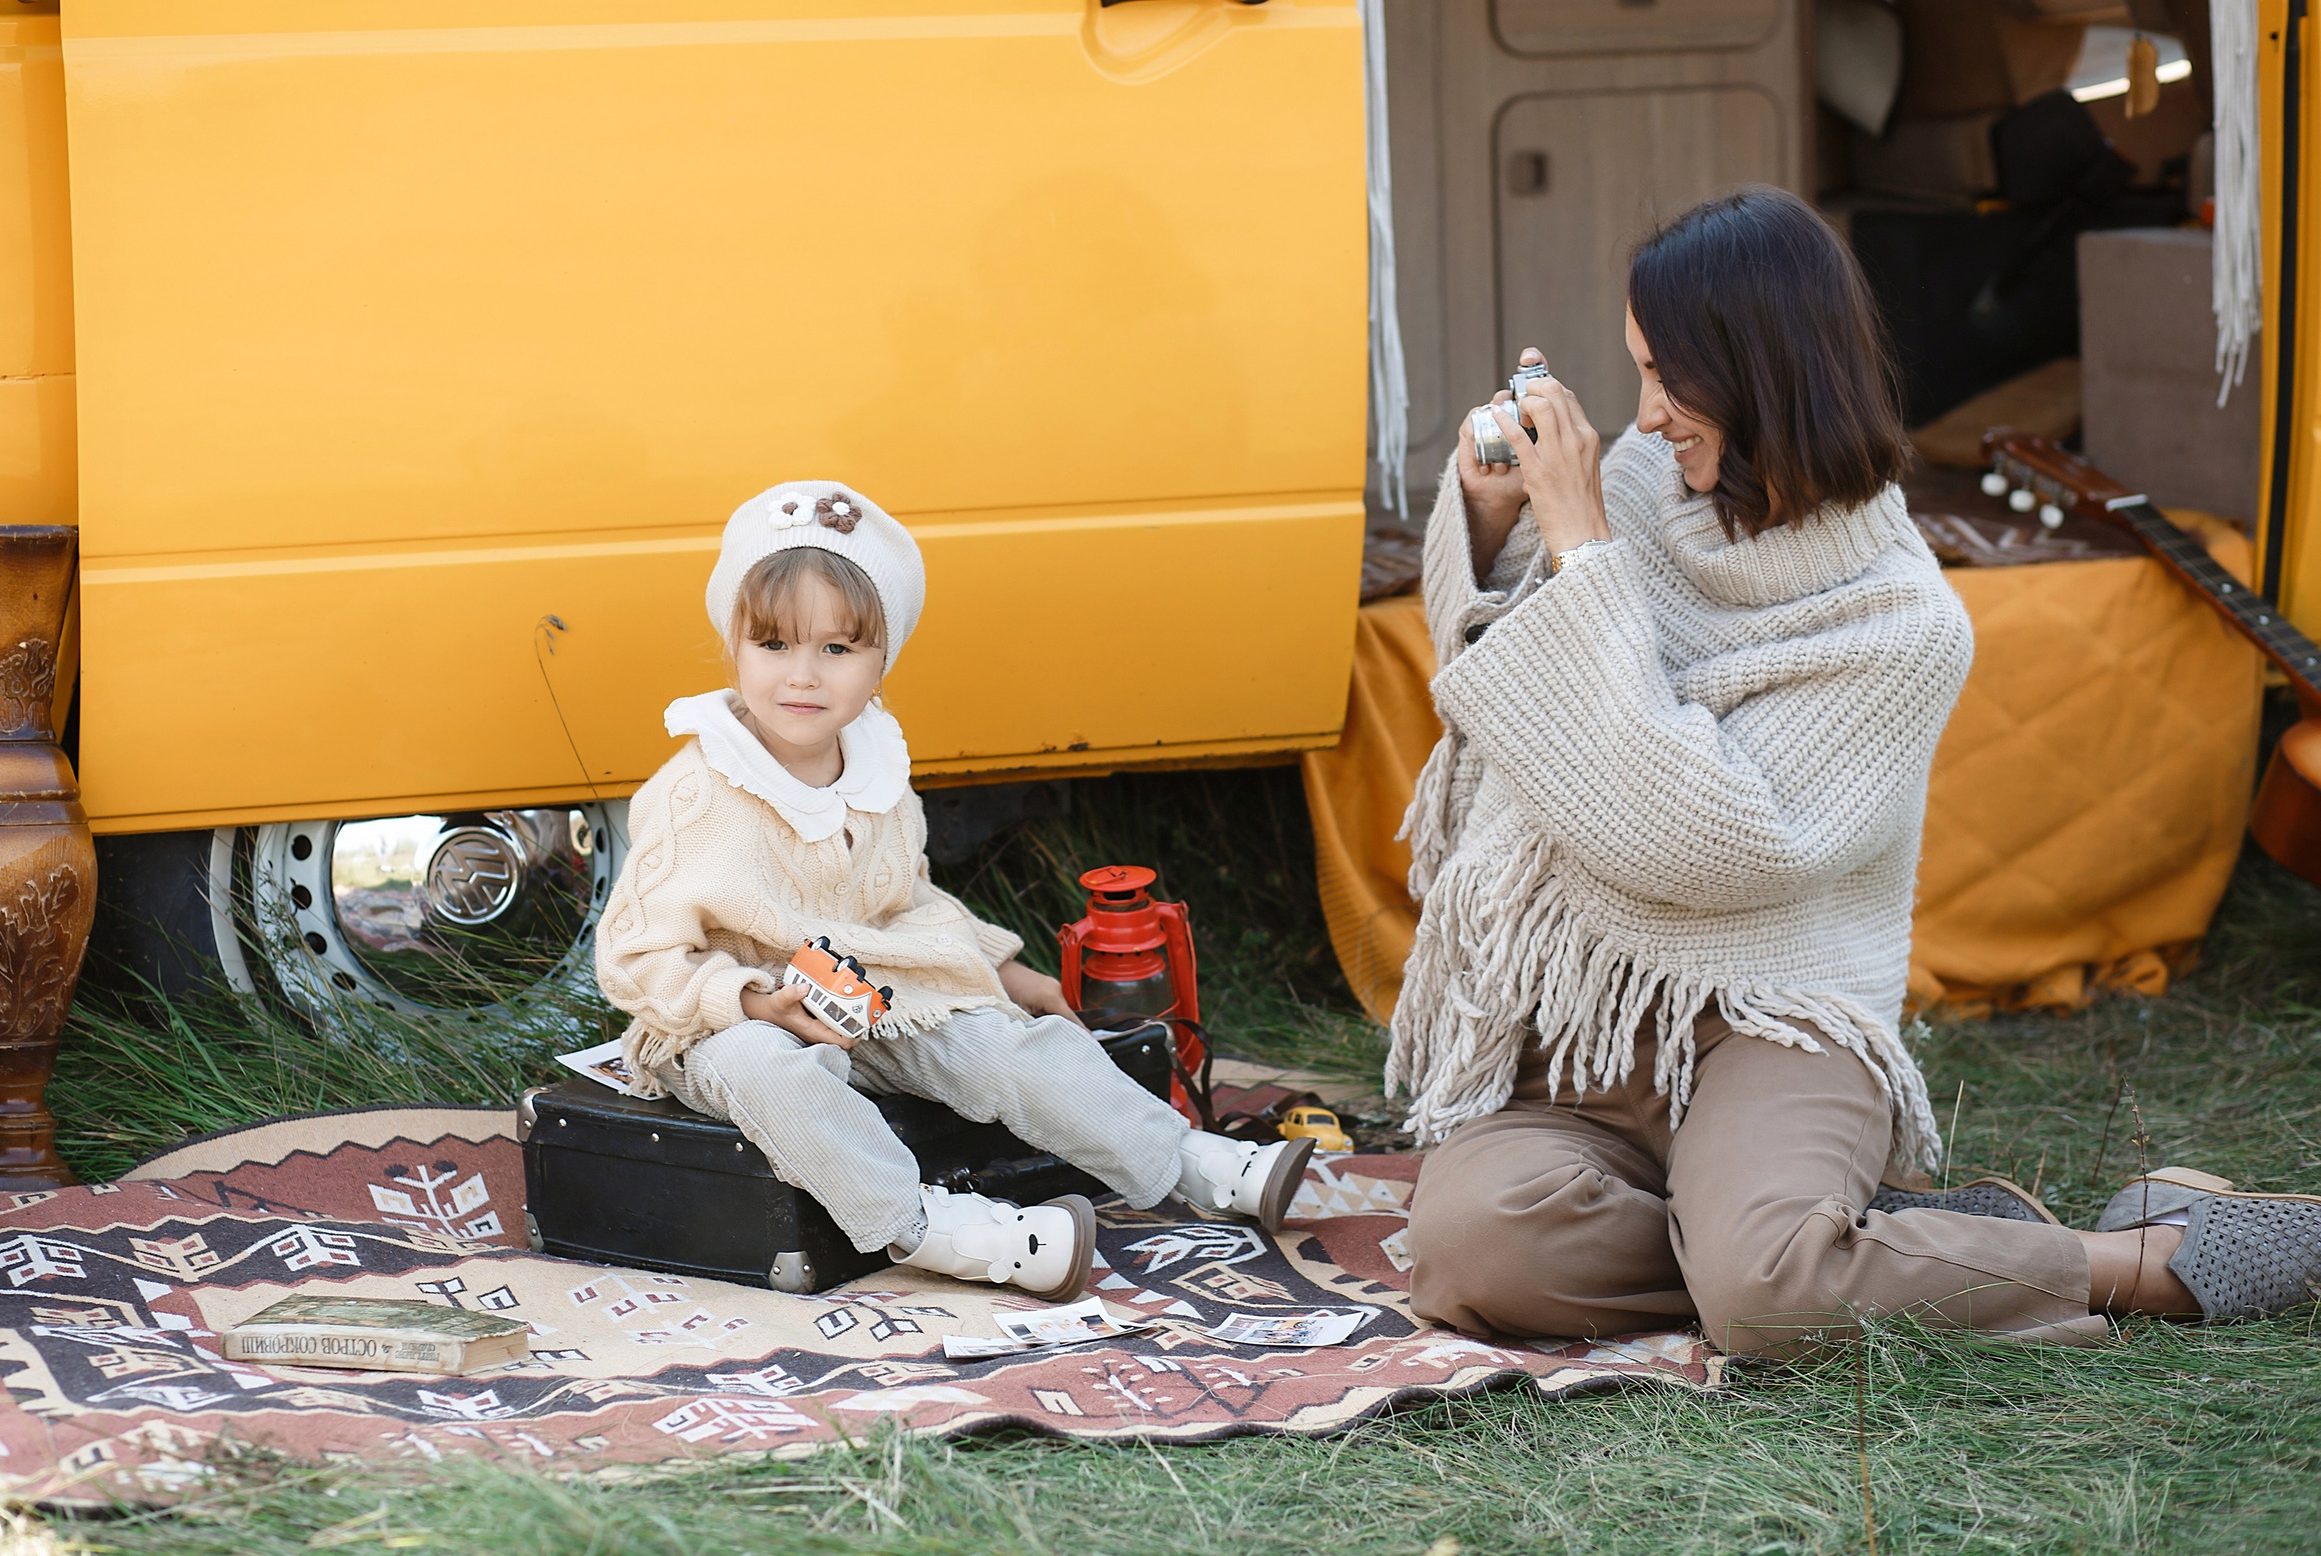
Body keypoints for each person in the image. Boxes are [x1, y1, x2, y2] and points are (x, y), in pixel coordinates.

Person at [1395, 186, 2321, 1356]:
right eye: (1636, 371)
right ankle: (1848, 1246)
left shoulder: (1897, 625)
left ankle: (2149, 1261)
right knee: (1474, 1251)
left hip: (1774, 1019)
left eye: (1668, 378)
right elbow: (1499, 686)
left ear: (1764, 371)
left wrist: (1580, 548)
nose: (1645, 416)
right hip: (1587, 1015)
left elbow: (1696, 844)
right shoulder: (1634, 486)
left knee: (1762, 1294)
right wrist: (1492, 522)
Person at [595, 480, 1312, 1302]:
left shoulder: (876, 774)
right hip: (720, 1022)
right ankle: (935, 1229)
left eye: (837, 648)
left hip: (862, 997)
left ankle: (1188, 1160)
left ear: (882, 660)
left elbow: (906, 905)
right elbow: (634, 956)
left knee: (999, 1042)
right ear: (735, 644)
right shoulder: (700, 792)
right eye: (774, 643)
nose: (803, 674)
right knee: (774, 1073)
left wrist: (1000, 970)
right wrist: (756, 1002)